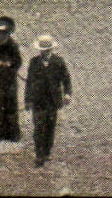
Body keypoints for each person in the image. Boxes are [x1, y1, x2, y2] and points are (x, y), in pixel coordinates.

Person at [24, 35, 72, 167]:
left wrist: (67, 94)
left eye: (47, 50)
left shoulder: (59, 62)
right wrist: (27, 100)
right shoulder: (34, 62)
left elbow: (66, 80)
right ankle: (39, 155)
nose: (44, 52)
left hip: (53, 102)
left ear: (51, 49)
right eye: (42, 50)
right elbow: (29, 82)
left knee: (50, 128)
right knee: (38, 128)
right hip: (37, 101)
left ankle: (46, 152)